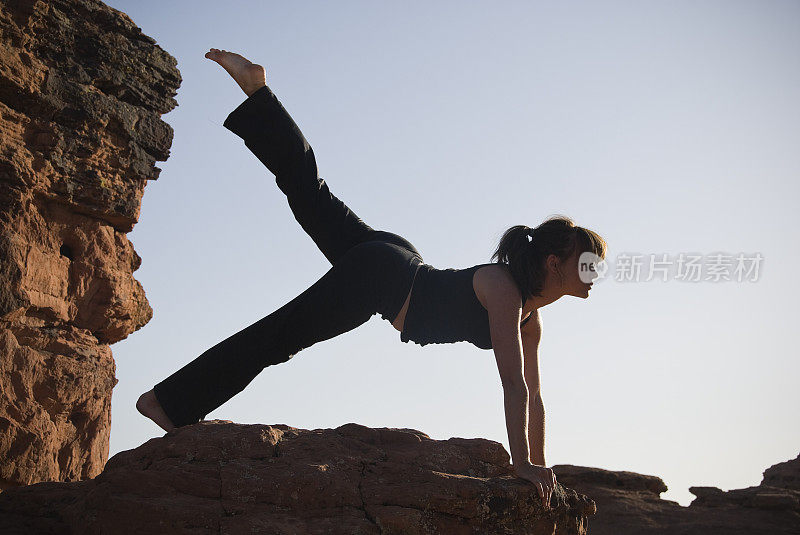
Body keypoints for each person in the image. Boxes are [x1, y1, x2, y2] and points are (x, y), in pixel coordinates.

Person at [136, 49, 608, 510]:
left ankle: (258, 92)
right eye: (588, 263)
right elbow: (513, 385)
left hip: (397, 259)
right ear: (554, 262)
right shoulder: (506, 292)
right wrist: (521, 462)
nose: (595, 274)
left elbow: (535, 395)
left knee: (310, 193)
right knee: (279, 335)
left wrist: (540, 469)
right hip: (384, 278)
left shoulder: (531, 319)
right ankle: (170, 405)